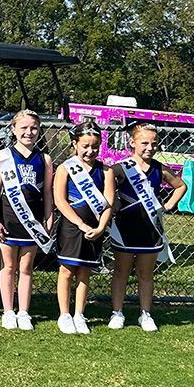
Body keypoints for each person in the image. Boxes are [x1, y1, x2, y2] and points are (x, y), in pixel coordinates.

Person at [108, 123, 187, 332]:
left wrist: (168, 205)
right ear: (132, 143)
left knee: (145, 274)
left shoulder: (160, 169)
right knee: (120, 272)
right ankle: (117, 312)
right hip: (124, 229)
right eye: (144, 143)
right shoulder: (120, 168)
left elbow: (180, 186)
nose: (149, 147)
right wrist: (113, 203)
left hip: (150, 230)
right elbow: (105, 182)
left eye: (154, 143)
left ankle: (145, 314)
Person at [0, 110, 54, 330]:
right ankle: (8, 311)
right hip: (8, 220)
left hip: (32, 222)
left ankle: (24, 311)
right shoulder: (2, 157)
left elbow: (47, 192)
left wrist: (49, 216)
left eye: (33, 128)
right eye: (24, 128)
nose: (29, 132)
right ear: (13, 129)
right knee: (8, 266)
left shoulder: (44, 159)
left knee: (26, 267)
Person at [54, 121, 115, 335]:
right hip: (71, 228)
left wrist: (100, 228)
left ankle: (79, 314)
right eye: (85, 146)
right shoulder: (64, 168)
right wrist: (79, 223)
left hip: (94, 229)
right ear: (75, 144)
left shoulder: (105, 171)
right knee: (66, 271)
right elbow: (60, 201)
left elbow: (109, 202)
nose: (90, 151)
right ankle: (64, 314)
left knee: (85, 271)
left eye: (95, 147)